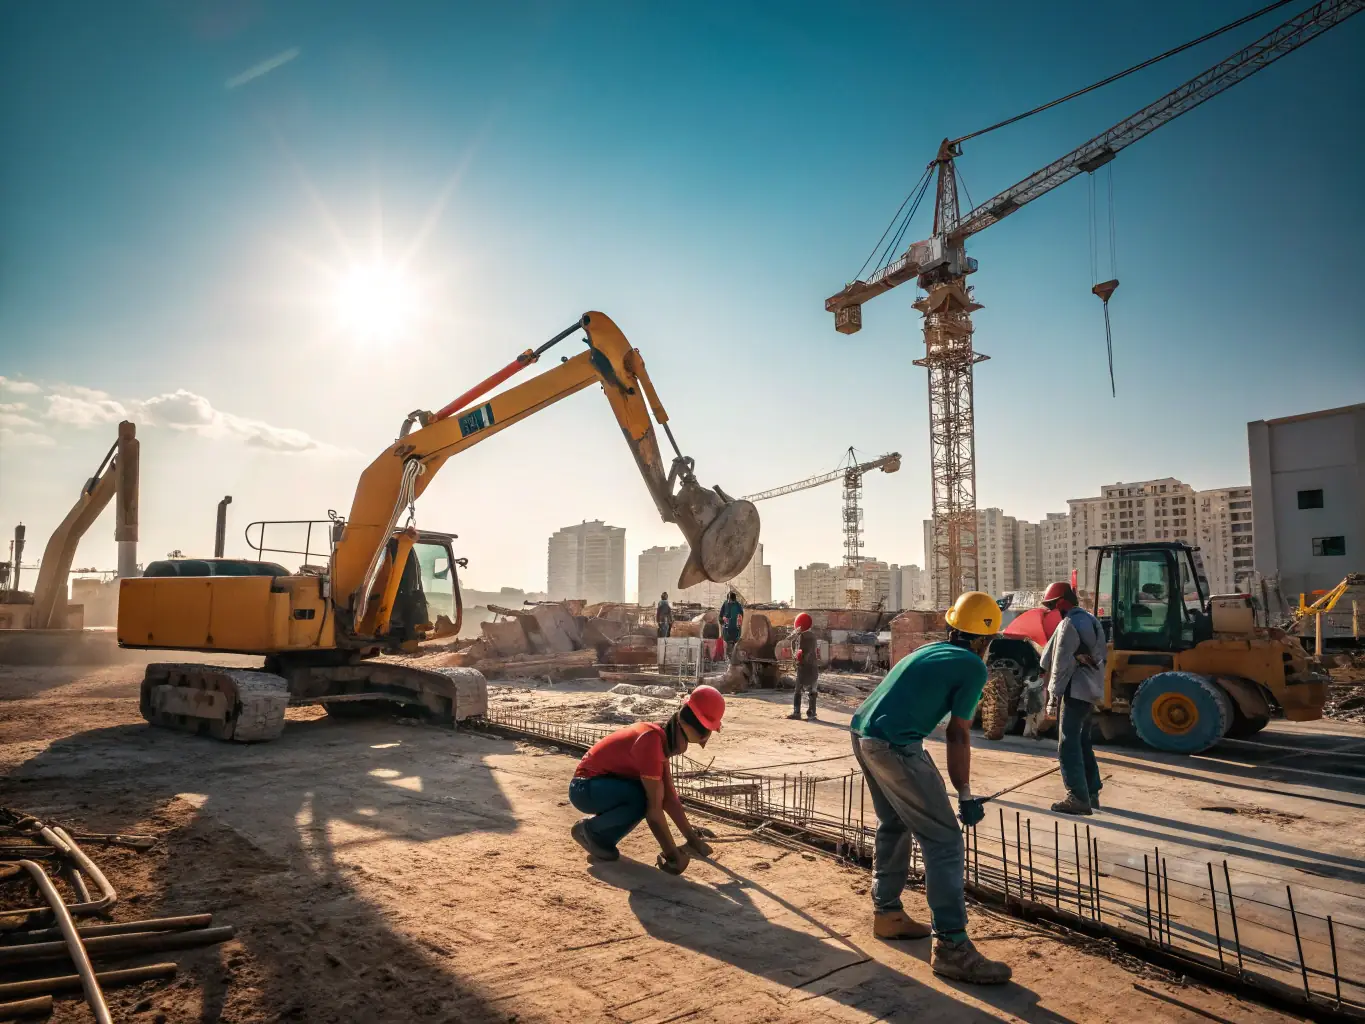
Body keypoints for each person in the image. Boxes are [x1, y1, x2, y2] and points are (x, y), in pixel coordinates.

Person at [849, 591, 1012, 985]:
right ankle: (952, 948)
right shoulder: (973, 667)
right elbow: (958, 734)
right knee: (944, 842)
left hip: (862, 732)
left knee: (895, 822)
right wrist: (966, 794)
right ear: (983, 640)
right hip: (894, 745)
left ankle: (887, 914)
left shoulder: (927, 651)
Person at [569, 685, 726, 873]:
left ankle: (601, 839)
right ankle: (591, 830)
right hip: (585, 788)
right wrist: (672, 855)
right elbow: (654, 812)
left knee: (644, 796)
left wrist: (693, 840)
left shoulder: (660, 740)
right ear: (698, 731)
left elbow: (670, 799)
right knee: (643, 798)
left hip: (601, 786)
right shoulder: (651, 742)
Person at [1038, 581, 1107, 816]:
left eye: (1052, 605)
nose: (1052, 609)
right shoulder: (1090, 620)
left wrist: (1052, 699)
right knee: (1083, 742)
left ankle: (1077, 797)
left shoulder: (1069, 624)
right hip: (1090, 691)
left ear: (1060, 602)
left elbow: (1060, 665)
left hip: (1074, 691)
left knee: (1067, 743)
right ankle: (1091, 792)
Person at [787, 612, 820, 720]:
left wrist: (794, 635)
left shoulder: (802, 637)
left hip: (804, 667)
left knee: (798, 690)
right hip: (814, 667)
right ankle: (812, 712)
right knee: (813, 690)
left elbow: (800, 652)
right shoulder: (814, 636)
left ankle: (797, 712)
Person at [718, 590, 744, 662]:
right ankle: (727, 658)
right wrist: (722, 619)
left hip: (736, 628)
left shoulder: (738, 605)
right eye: (729, 600)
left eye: (732, 601)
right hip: (726, 628)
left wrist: (740, 621)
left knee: (736, 644)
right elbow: (720, 615)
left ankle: (735, 659)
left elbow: (742, 615)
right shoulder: (725, 603)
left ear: (734, 600)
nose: (730, 602)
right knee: (726, 643)